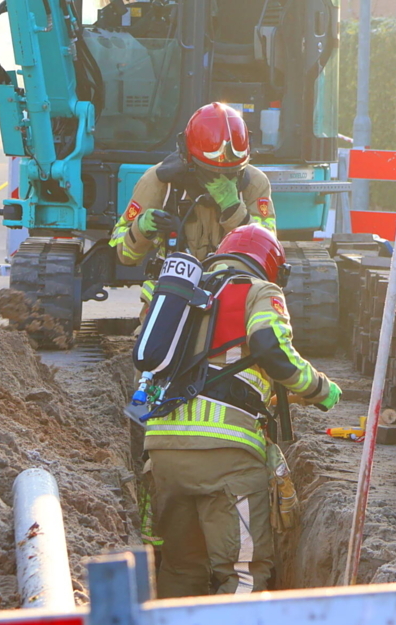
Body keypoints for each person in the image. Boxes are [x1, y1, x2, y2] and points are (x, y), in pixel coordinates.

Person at [141, 224, 341, 597]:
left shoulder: (185, 296)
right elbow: (272, 350)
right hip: (227, 456)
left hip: (162, 451)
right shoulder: (259, 291)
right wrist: (321, 389)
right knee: (242, 573)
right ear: (273, 268)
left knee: (180, 567)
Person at [110, 102, 277, 264]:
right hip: (173, 288)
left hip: (229, 285)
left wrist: (233, 207)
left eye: (232, 172)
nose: (221, 178)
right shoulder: (159, 181)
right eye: (210, 171)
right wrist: (141, 228)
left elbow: (267, 254)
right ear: (188, 158)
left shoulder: (255, 183)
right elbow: (125, 257)